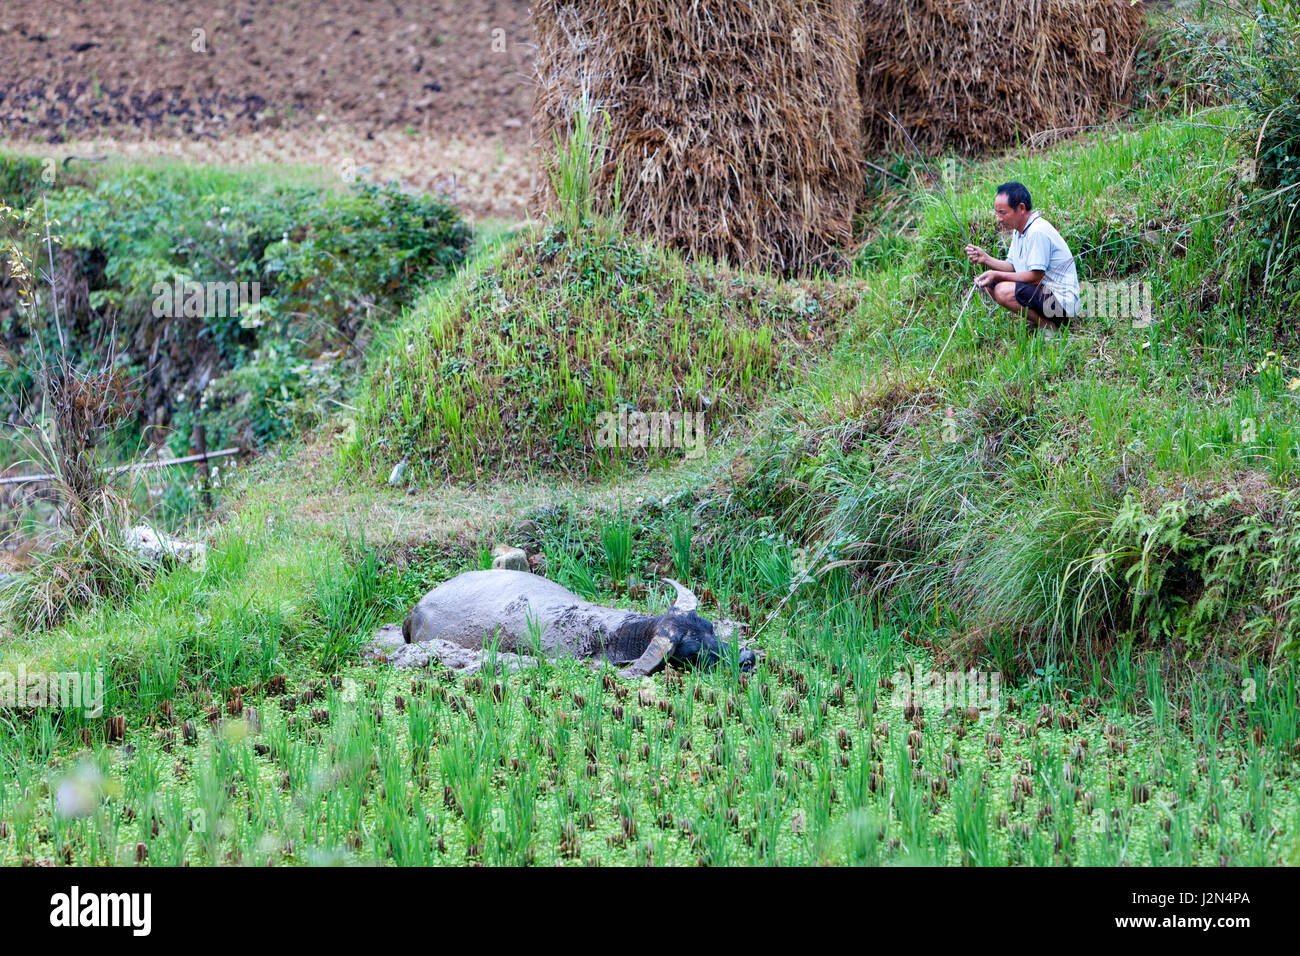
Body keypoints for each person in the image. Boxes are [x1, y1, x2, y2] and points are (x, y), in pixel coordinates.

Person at [964, 181, 1079, 335]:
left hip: (1062, 305)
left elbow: (1036, 277)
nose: (999, 218)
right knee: (991, 284)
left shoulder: (1037, 231)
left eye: (1003, 212)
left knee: (1003, 290)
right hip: (1044, 296)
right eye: (997, 212)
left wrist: (996, 274)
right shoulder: (1019, 231)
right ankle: (1038, 321)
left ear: (1021, 208)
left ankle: (1050, 327)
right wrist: (985, 258)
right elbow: (1012, 266)